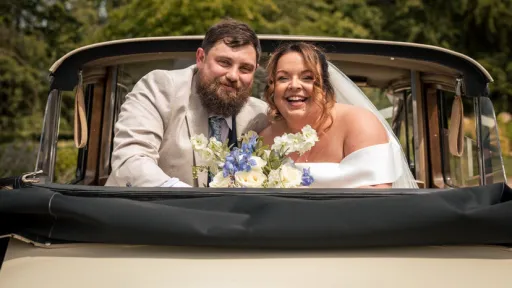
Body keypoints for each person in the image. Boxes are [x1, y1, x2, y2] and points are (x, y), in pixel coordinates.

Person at [105, 19, 269, 188]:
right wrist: (191, 199)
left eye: (245, 69)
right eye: (224, 62)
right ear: (201, 58)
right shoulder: (160, 88)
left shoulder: (261, 115)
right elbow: (130, 161)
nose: (233, 75)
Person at [260, 42, 418, 188]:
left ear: (325, 87)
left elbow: (379, 198)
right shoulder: (264, 140)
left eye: (307, 77)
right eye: (283, 78)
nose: (294, 85)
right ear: (273, 88)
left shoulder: (359, 123)